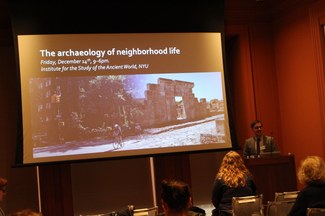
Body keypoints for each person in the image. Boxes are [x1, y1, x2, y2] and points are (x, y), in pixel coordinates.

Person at [211, 151, 257, 216]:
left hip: (226, 213)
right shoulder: (248, 176)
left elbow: (215, 199)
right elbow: (255, 195)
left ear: (224, 163)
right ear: (240, 162)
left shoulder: (220, 178)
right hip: (248, 212)